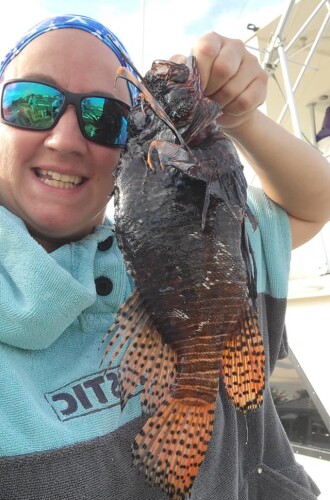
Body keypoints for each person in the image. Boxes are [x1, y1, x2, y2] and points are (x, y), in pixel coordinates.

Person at [0, 14, 329, 500]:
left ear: (126, 149)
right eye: (31, 104)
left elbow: (314, 203)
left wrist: (242, 119)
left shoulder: (210, 221)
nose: (65, 139)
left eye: (106, 119)